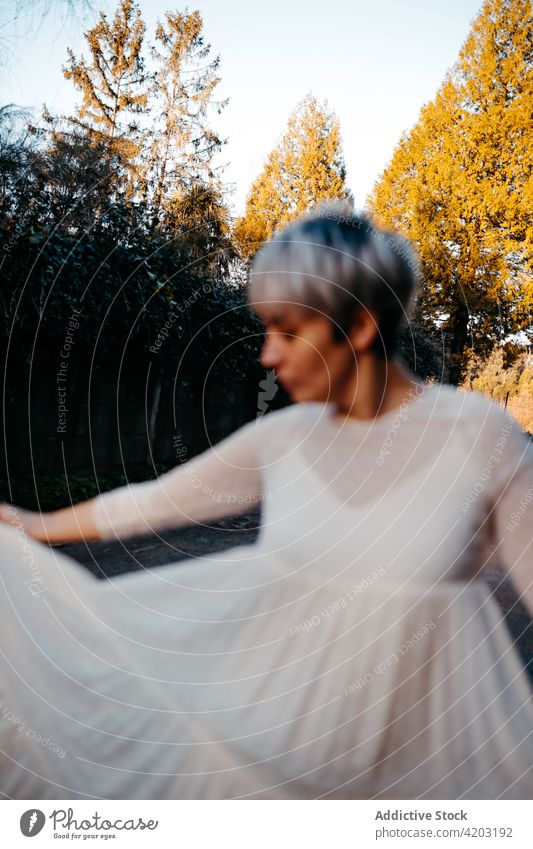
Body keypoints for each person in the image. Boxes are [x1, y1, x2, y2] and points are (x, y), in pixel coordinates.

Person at [0, 205, 531, 800]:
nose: (268, 356)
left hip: (419, 780)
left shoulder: (480, 435)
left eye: (287, 330)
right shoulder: (285, 437)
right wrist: (29, 524)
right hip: (255, 752)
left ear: (355, 327)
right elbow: (152, 503)